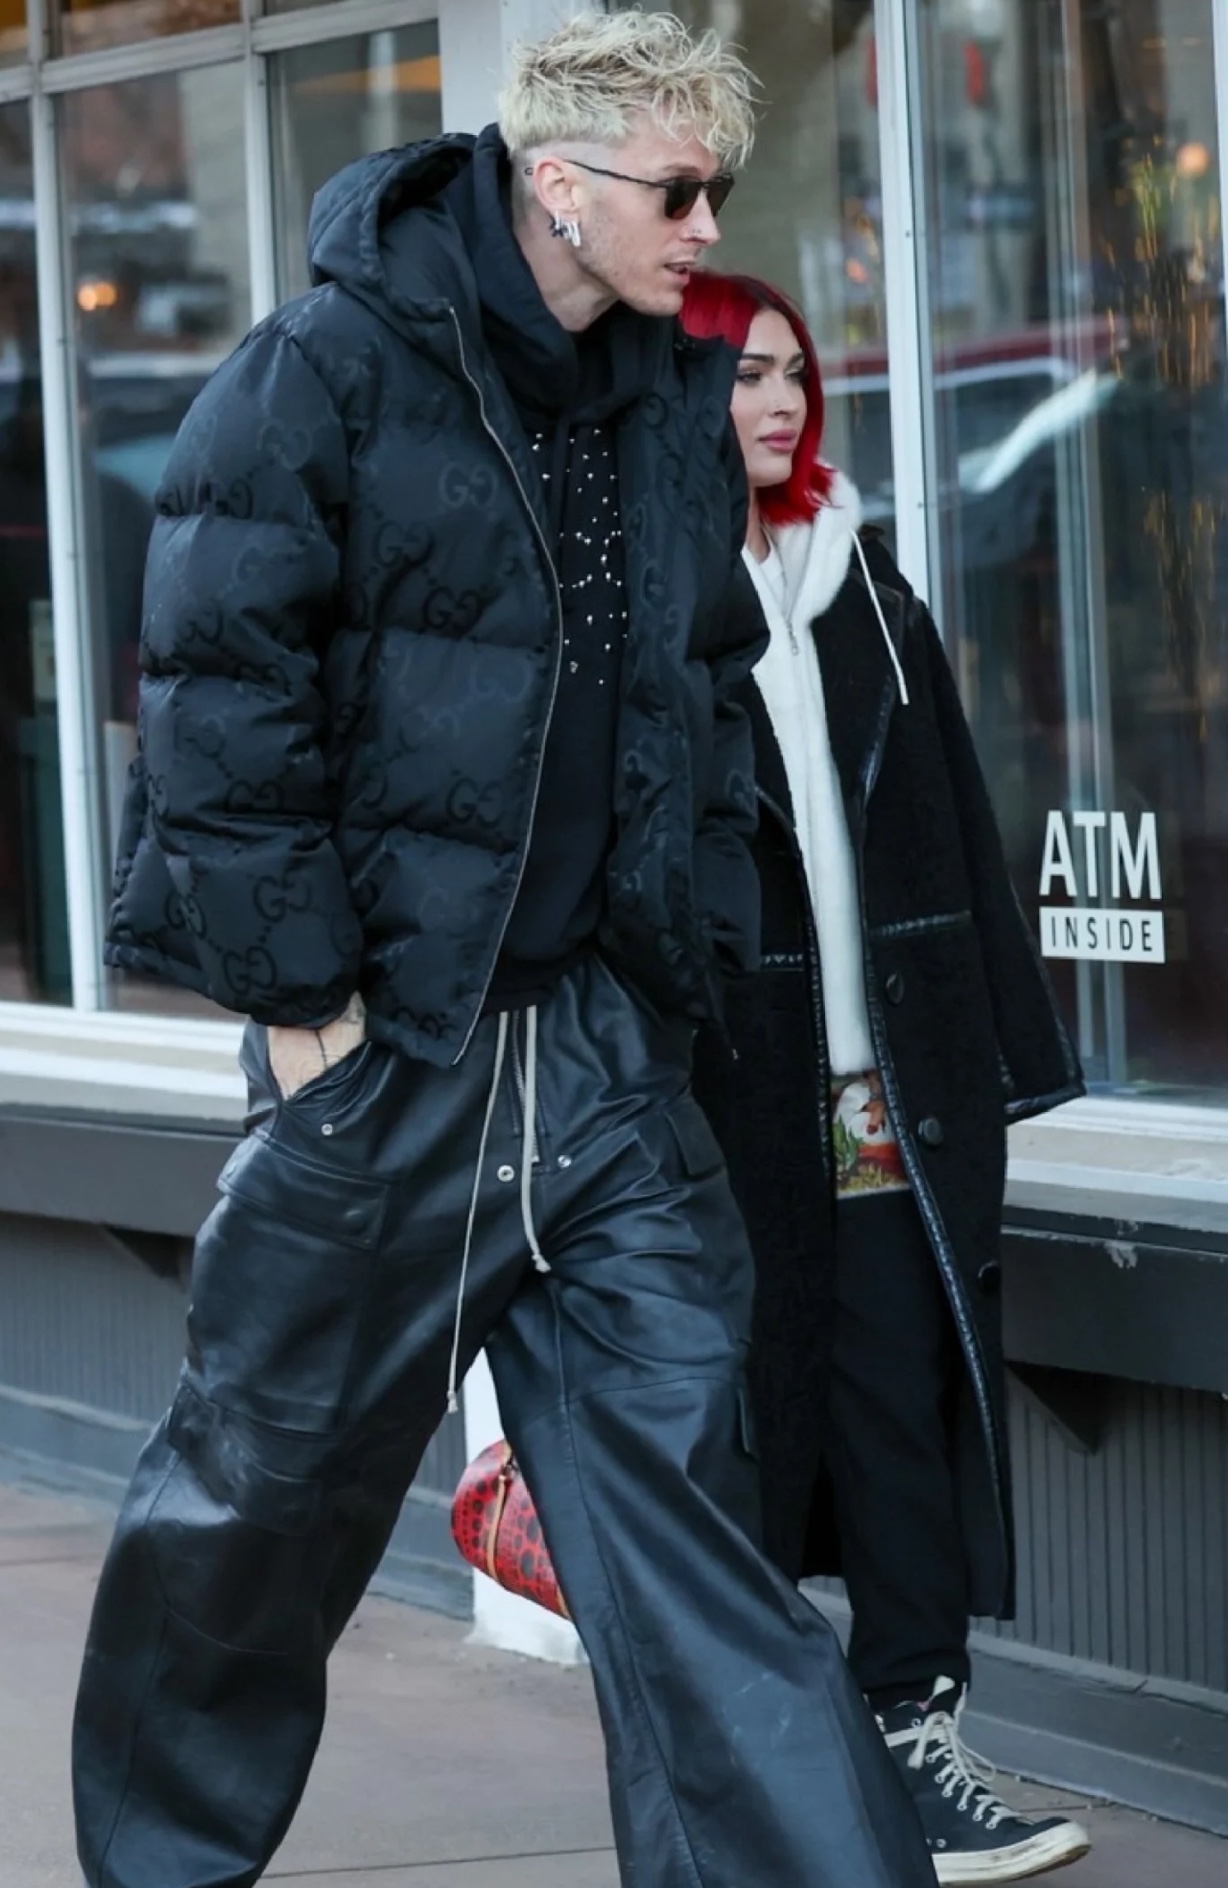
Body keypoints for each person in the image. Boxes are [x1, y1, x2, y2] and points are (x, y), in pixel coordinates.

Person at [71, 17, 940, 1888]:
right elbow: (215, 696)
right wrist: (308, 1010)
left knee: (696, 1544)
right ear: (557, 182)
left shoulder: (667, 407)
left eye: (720, 188)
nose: (708, 227)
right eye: (678, 190)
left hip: (609, 1071)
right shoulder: (324, 371)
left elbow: (704, 699)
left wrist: (681, 965)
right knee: (256, 1517)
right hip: (392, 1066)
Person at [682, 270, 1090, 1886]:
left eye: (794, 371)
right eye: (741, 373)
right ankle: (765, 1775)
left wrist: (1008, 1052)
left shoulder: (864, 579)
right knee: (744, 1434)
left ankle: (916, 1738)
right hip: (722, 1099)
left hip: (881, 1098)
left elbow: (958, 827)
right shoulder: (647, 593)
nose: (780, 400)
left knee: (898, 1417)